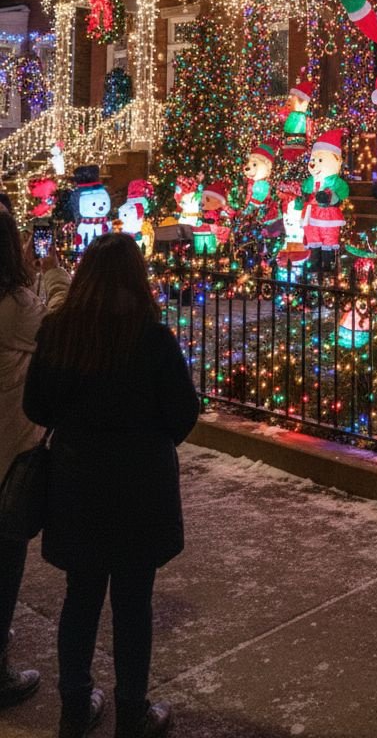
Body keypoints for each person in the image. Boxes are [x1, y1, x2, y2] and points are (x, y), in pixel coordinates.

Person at [23, 234, 200, 738]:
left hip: (77, 483)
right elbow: (183, 415)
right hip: (139, 486)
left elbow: (36, 407)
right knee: (133, 601)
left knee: (79, 597)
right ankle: (131, 709)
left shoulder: (59, 333)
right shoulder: (151, 339)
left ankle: (74, 706)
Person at [0, 209, 44, 709]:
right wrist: (50, 275)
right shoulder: (16, 306)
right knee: (5, 559)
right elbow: (54, 324)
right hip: (8, 454)